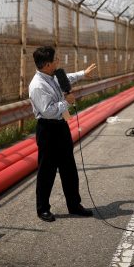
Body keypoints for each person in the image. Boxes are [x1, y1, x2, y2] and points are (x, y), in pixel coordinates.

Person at [28, 46, 97, 222]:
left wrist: (83, 73)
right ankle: (42, 209)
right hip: (48, 129)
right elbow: (48, 111)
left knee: (69, 168)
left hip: (61, 127)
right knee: (47, 171)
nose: (58, 61)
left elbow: (67, 78)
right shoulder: (38, 85)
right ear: (47, 64)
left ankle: (74, 205)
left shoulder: (53, 76)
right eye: (55, 59)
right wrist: (66, 102)